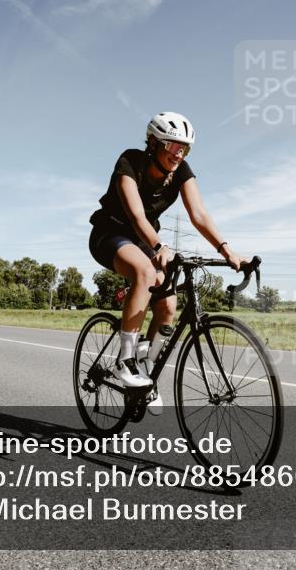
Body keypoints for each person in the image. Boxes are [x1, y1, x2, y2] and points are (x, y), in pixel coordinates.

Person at [88, 112, 246, 413]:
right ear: (153, 143)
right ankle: (126, 359)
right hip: (110, 234)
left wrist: (227, 251)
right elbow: (135, 216)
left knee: (169, 304)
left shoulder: (182, 170)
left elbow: (198, 215)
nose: (179, 154)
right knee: (145, 271)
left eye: (184, 148)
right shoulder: (130, 161)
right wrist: (159, 245)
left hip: (143, 241)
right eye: (173, 146)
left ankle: (146, 373)